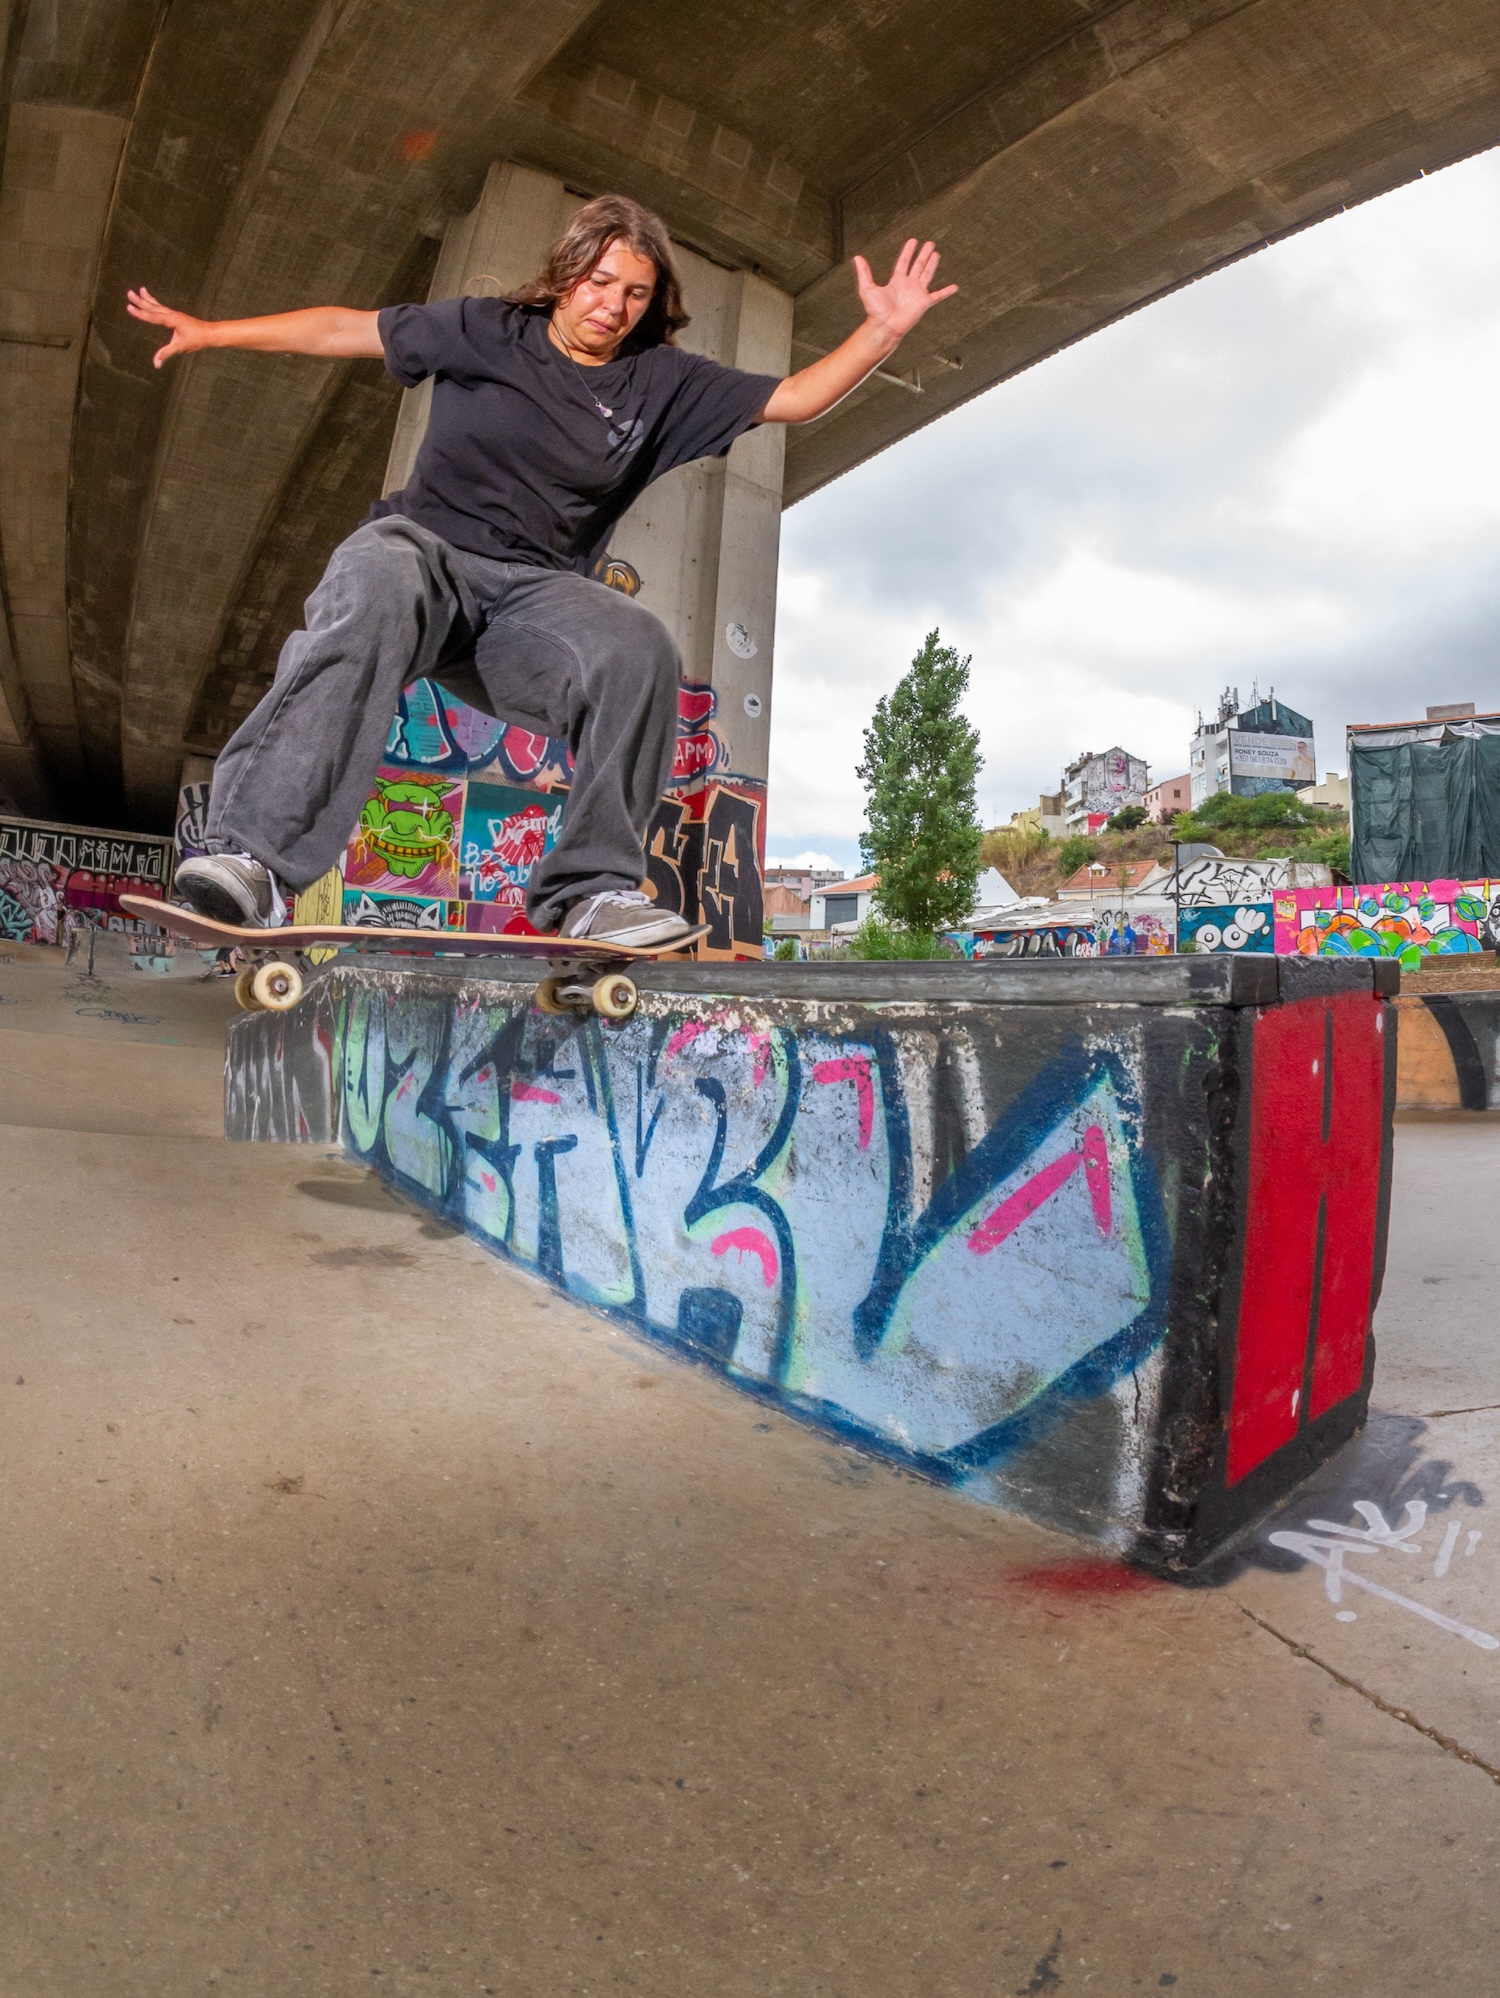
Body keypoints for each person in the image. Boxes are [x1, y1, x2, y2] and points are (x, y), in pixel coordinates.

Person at [127, 195, 956, 945]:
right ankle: (257, 862)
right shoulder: (488, 329)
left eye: (634, 294)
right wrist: (212, 331)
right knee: (375, 581)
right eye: (599, 283)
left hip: (531, 605)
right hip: (426, 560)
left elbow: (798, 397)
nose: (612, 308)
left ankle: (591, 891)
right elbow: (348, 327)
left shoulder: (661, 382)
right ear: (566, 275)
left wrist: (882, 331)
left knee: (637, 646)